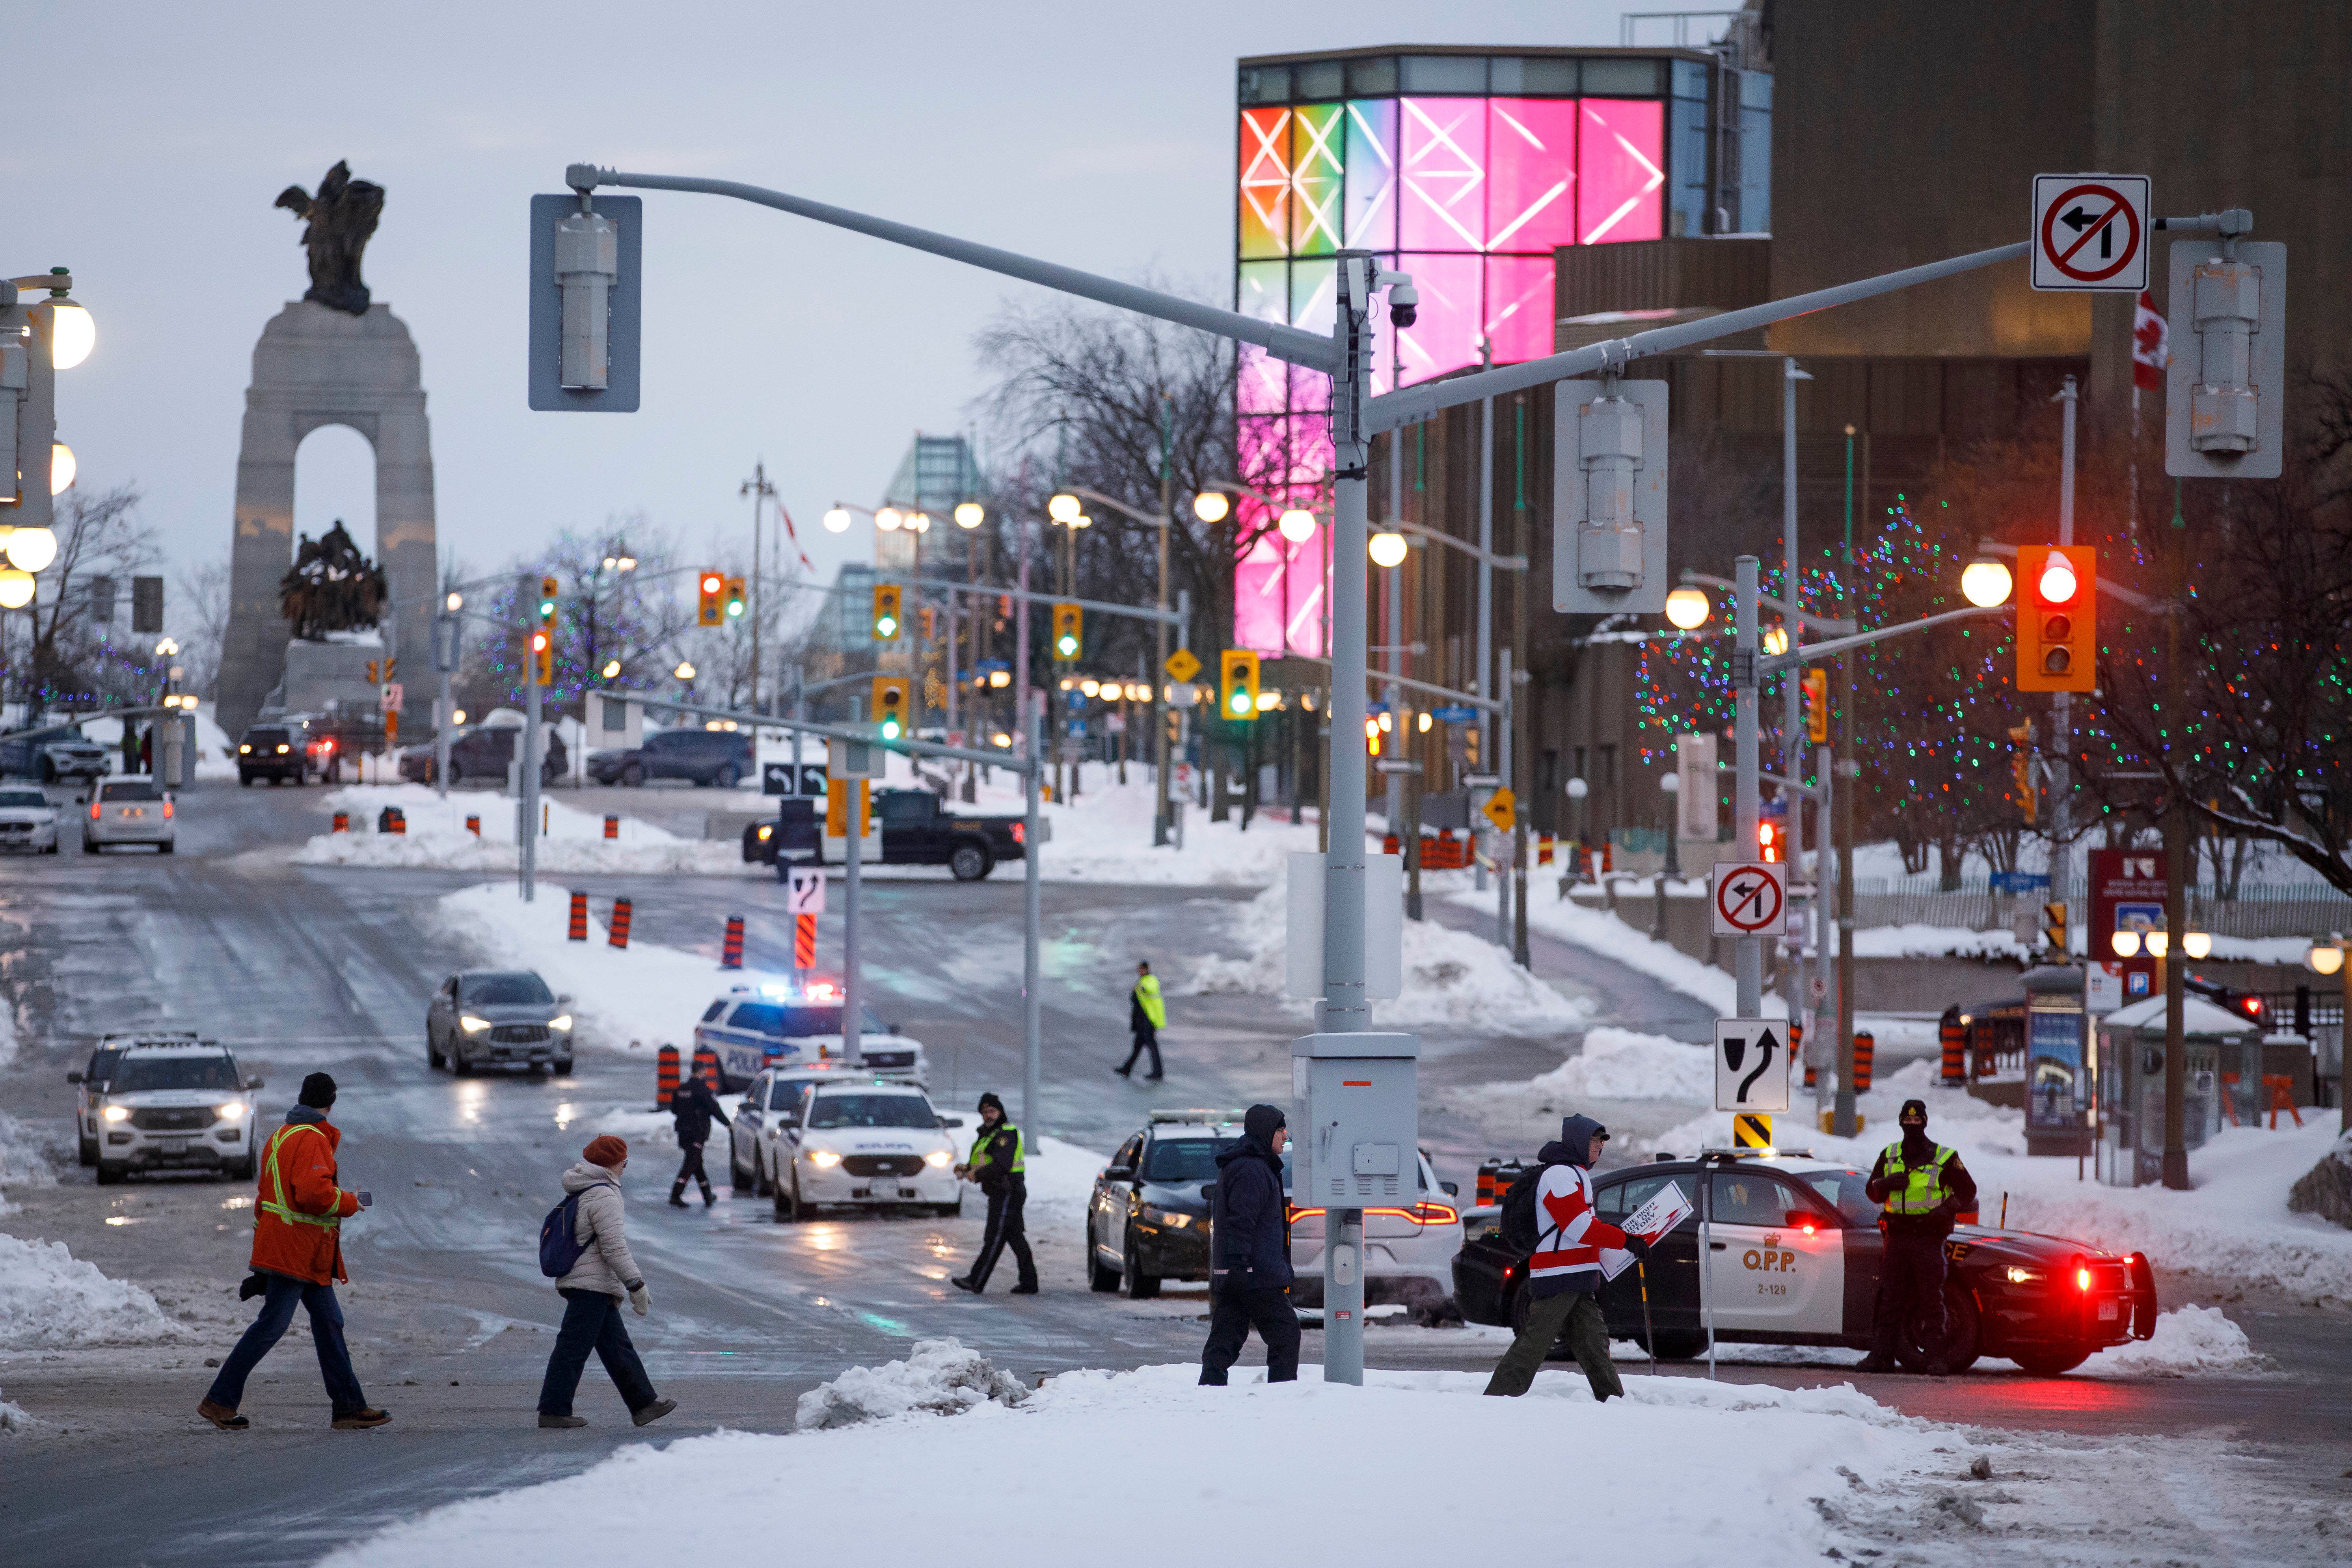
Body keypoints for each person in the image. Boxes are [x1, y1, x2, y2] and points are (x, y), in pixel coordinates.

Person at [197, 1072, 390, 1431]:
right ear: (330, 1103)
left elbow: (267, 1201)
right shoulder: (313, 1139)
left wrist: (261, 1265)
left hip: (296, 1251)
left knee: (330, 1323)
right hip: (296, 1253)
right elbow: (313, 1196)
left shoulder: (280, 1136)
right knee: (272, 1326)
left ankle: (348, 1407)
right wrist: (349, 1202)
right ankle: (219, 1401)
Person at [1483, 1114, 1634, 1402]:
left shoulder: (1576, 1174)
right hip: (1558, 1274)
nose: (1599, 1147)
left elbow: (1581, 1229)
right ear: (1578, 1141)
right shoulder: (1559, 1175)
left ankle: (1613, 1399)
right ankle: (1497, 1399)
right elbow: (1577, 1227)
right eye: (1594, 1140)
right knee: (1535, 1342)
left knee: (1593, 1342)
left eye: (1602, 1141)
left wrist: (1622, 1242)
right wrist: (1624, 1239)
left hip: (1577, 1273)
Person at [538, 1135, 678, 1428]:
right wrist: (635, 1284)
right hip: (591, 1284)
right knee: (572, 1348)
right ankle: (554, 1410)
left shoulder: (585, 1188)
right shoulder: (604, 1195)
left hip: (589, 1283)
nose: (625, 1166)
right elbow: (613, 1247)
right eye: (624, 1161)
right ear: (613, 1163)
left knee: (617, 1348)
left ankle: (643, 1404)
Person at [1857, 1098, 1977, 1375]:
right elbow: (1871, 1192)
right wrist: (1886, 1184)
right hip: (1896, 1238)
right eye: (1907, 1121)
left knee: (1931, 1299)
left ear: (1924, 1122)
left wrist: (1945, 1210)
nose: (1911, 1125)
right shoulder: (1889, 1155)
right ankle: (1881, 1357)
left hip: (1927, 1238)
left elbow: (1967, 1191)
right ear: (1900, 1122)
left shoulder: (1945, 1157)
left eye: (1916, 1121)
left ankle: (1936, 1358)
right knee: (1890, 1299)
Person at [1200, 1103, 1301, 1386]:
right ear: (1266, 1132)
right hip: (1253, 1272)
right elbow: (1241, 1221)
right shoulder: (1252, 1170)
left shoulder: (1252, 1165)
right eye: (1281, 1130)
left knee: (1226, 1336)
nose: (1285, 1136)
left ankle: (1210, 1387)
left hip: (1244, 1270)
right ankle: (1283, 1392)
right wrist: (1240, 1266)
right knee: (1285, 1332)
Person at [950, 1093, 1037, 1295]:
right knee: (1015, 1237)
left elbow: (1002, 1165)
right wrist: (967, 1169)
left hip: (1008, 1191)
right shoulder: (988, 1134)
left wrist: (977, 1174)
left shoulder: (1006, 1133)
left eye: (992, 1111)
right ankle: (1029, 1282)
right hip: (1001, 1191)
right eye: (985, 1112)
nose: (988, 1115)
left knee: (994, 1237)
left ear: (1001, 1112)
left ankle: (976, 1280)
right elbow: (986, 1161)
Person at [668, 1072, 731, 1209]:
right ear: (702, 1072)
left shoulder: (682, 1089)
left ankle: (708, 1195)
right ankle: (676, 1194)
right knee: (691, 1163)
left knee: (696, 1162)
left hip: (683, 1133)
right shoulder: (703, 1090)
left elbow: (674, 1109)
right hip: (697, 1133)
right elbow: (715, 1109)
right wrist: (728, 1123)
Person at [1116, 961, 1166, 1080]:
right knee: (1138, 1045)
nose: (1139, 972)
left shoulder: (1151, 980)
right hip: (1142, 1020)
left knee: (1151, 1045)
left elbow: (1151, 988)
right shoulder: (1142, 981)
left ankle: (1158, 1073)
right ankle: (1127, 1069)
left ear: (1145, 969)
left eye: (1140, 969)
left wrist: (1142, 988)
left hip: (1149, 1019)